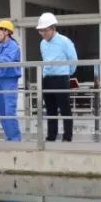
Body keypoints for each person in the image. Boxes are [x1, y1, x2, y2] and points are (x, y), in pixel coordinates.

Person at [36, 12, 77, 142]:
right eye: (41, 31)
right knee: (50, 108)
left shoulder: (64, 41)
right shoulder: (42, 43)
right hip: (47, 78)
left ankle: (67, 136)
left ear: (53, 28)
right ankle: (51, 135)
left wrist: (67, 73)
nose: (43, 33)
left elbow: (73, 60)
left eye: (45, 30)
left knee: (65, 108)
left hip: (61, 77)